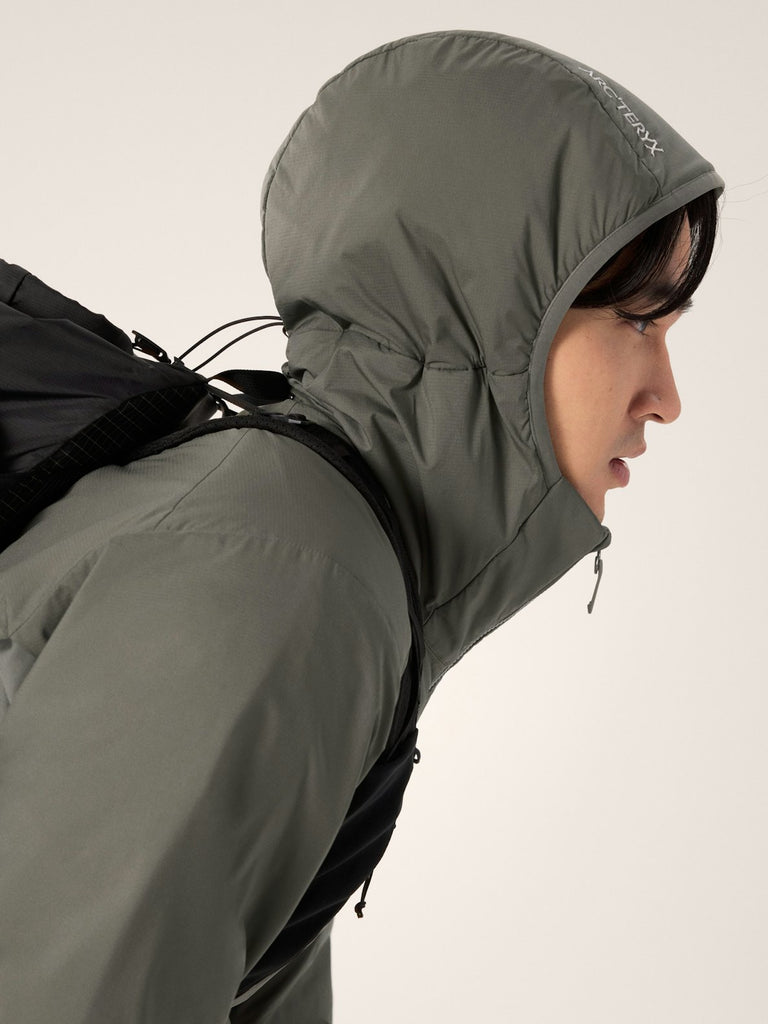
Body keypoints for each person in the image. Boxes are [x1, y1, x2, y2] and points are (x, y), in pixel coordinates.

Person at [0, 30, 721, 1024]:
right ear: (486, 316)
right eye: (636, 321)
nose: (667, 398)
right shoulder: (279, 568)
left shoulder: (332, 555)